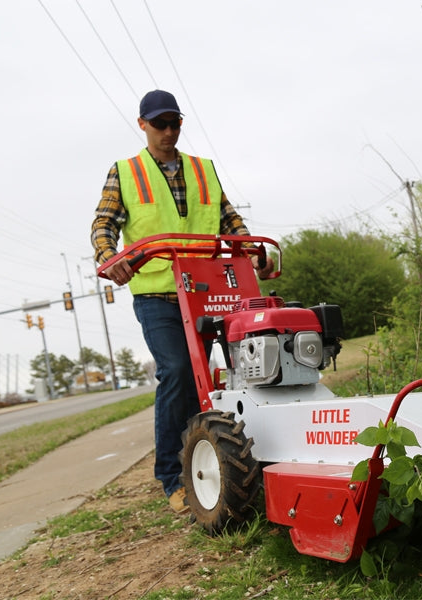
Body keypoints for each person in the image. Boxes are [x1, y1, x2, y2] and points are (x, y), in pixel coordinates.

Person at [91, 89, 273, 514]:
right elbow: (103, 224)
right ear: (143, 125)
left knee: (217, 376)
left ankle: (220, 459)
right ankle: (173, 477)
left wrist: (253, 252)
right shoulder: (126, 172)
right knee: (176, 371)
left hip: (207, 289)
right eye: (160, 124)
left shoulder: (203, 170)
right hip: (156, 293)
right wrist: (110, 257)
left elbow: (230, 222)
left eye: (175, 123)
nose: (169, 131)